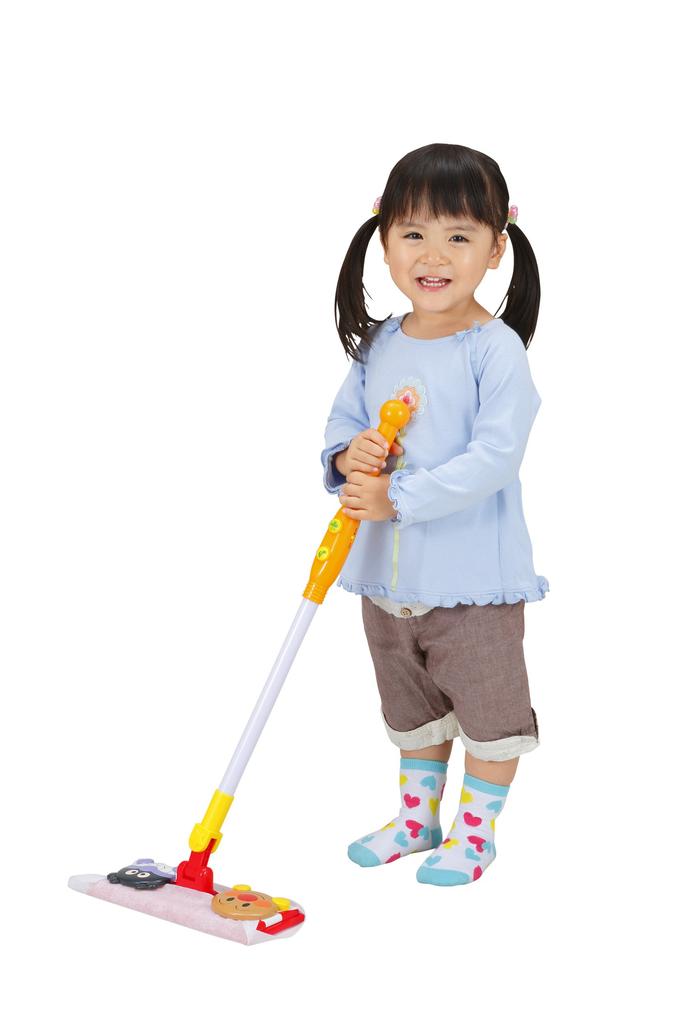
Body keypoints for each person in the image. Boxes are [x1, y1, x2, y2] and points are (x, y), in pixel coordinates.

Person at [320, 142, 549, 887]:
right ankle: (417, 820)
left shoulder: (495, 350)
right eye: (414, 233)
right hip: (387, 579)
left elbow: (495, 458)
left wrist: (400, 497)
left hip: (471, 581)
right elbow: (344, 423)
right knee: (410, 705)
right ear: (383, 239)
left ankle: (475, 833)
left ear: (496, 248)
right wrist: (349, 456)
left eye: (459, 236)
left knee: (488, 708)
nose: (434, 255)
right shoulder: (380, 343)